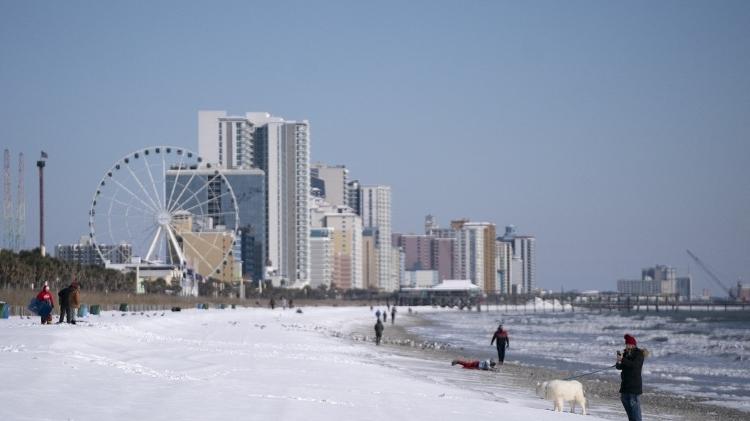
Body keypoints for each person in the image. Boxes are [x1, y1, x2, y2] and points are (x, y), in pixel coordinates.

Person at [616, 334, 648, 421]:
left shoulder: (639, 354)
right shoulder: (625, 353)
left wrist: (622, 359)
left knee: (635, 412)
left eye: (630, 344)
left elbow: (634, 365)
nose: (628, 345)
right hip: (625, 386)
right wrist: (618, 360)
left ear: (634, 344)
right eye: (627, 344)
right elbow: (619, 367)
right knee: (628, 410)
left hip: (634, 386)